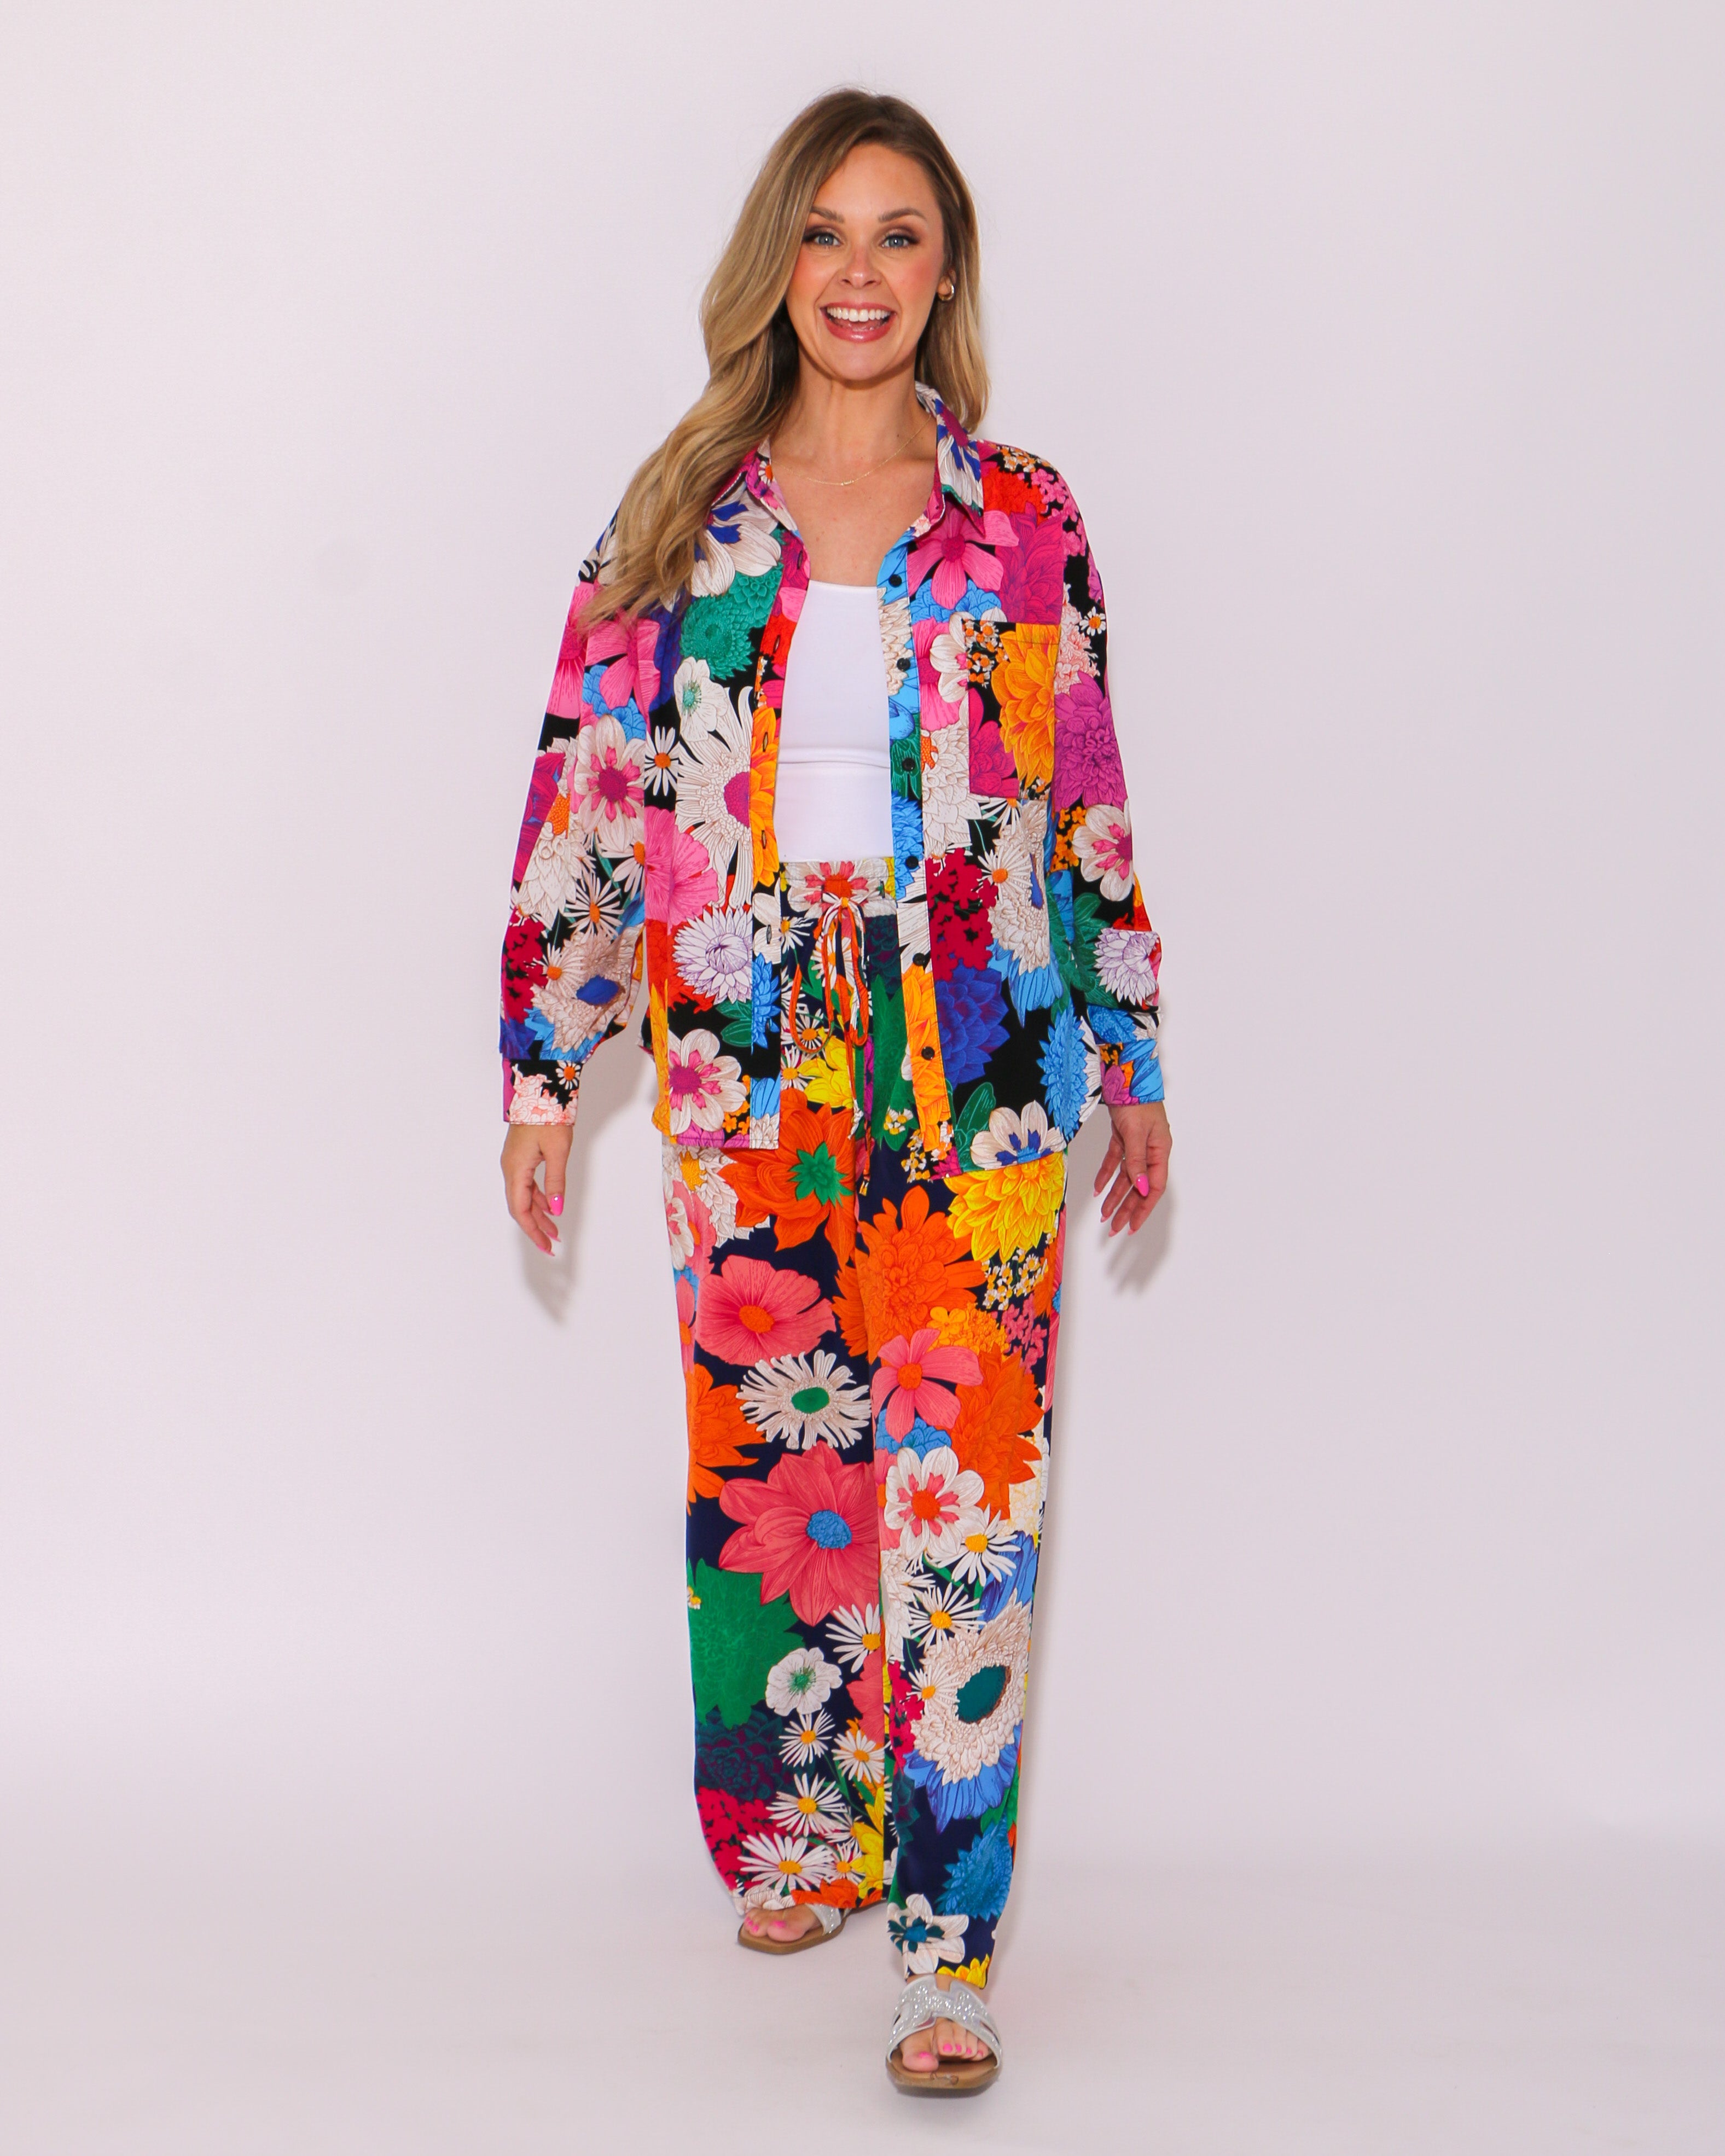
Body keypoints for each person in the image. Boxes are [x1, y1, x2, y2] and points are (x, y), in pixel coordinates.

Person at [497, 87, 1170, 2096]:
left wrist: (1129, 1044)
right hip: (746, 1062)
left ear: (944, 270)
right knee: (769, 1480)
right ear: (775, 264)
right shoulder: (681, 514)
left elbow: (1085, 792)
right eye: (824, 232)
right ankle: (802, 1832)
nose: (858, 273)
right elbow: (586, 791)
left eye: (897, 235)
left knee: (965, 1502)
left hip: (984, 1067)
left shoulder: (1023, 517)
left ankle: (947, 1953)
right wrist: (544, 1065)